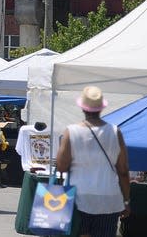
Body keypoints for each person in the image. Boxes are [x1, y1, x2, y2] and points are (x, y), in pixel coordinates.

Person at [56, 86, 130, 237]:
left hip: (78, 198)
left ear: (82, 108)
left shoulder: (71, 132)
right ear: (101, 108)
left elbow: (61, 166)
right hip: (108, 198)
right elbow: (123, 170)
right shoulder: (115, 132)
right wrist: (126, 201)